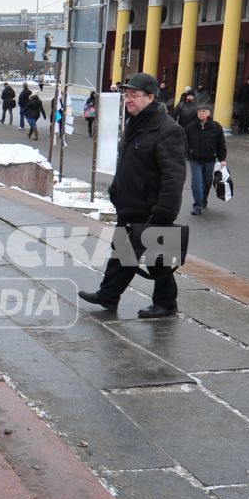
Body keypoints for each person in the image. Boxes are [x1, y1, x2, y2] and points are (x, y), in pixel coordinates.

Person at [80, 73, 185, 319]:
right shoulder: (136, 122)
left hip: (151, 208)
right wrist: (116, 190)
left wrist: (165, 212)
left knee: (157, 260)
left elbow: (174, 176)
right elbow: (128, 161)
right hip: (130, 205)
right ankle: (109, 295)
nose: (129, 100)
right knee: (122, 254)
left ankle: (166, 304)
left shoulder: (168, 130)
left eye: (134, 96)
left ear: (151, 97)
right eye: (127, 95)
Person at [184, 102, 227, 215]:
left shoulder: (216, 127)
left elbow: (221, 144)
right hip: (195, 159)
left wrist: (222, 159)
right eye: (199, 111)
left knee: (207, 181)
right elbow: (185, 142)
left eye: (204, 111)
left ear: (209, 113)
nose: (201, 113)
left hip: (210, 159)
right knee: (197, 182)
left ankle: (204, 199)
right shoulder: (190, 127)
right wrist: (188, 152)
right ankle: (197, 205)